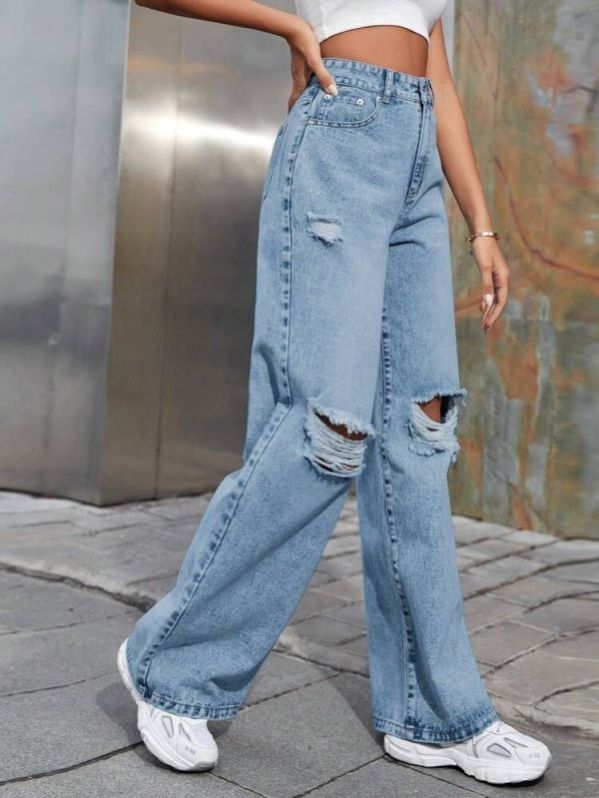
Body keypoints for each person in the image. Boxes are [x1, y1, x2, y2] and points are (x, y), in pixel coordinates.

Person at [117, 0, 552, 786]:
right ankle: (174, 670)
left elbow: (439, 82)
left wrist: (481, 226)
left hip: (417, 161)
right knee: (327, 429)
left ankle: (434, 713)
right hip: (339, 133)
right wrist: (287, 26)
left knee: (420, 432)